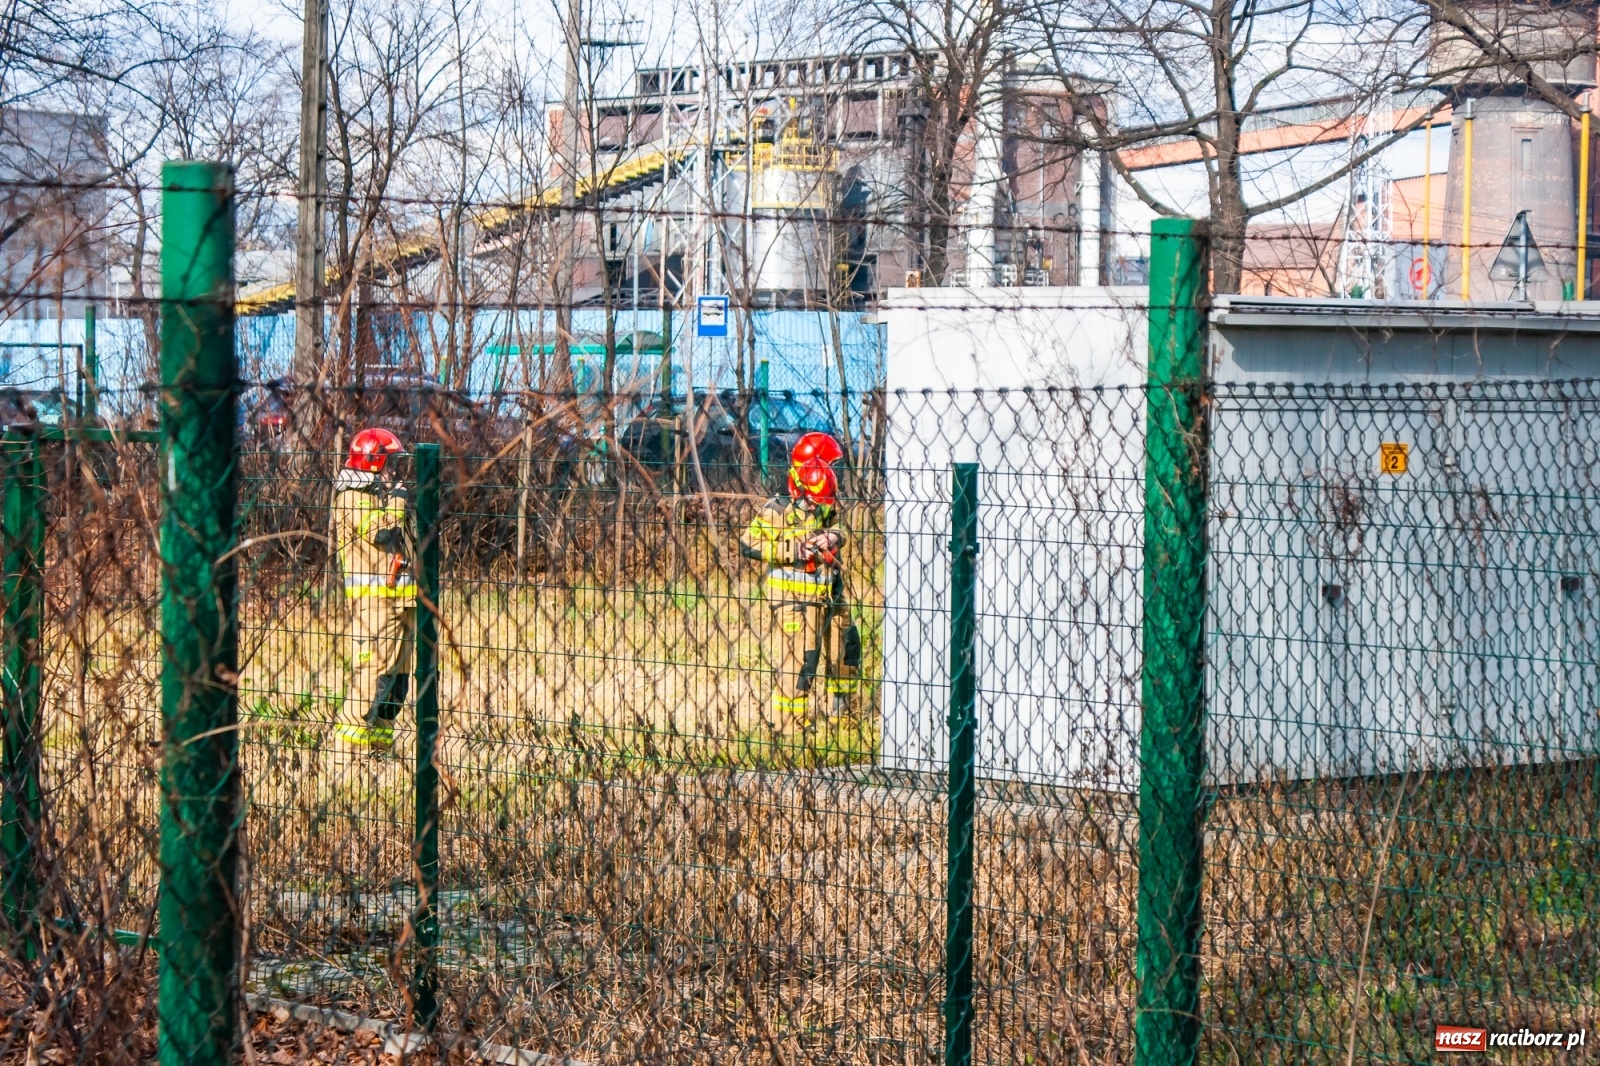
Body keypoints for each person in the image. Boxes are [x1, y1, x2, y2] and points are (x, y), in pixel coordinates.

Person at [740, 456, 862, 723]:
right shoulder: (777, 509)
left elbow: (840, 526)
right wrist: (792, 550)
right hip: (791, 598)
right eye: (814, 501)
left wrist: (833, 536)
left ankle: (844, 716)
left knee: (847, 648)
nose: (819, 507)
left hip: (829, 592)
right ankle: (789, 727)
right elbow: (748, 544)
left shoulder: (824, 505)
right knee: (800, 660)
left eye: (824, 502)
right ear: (798, 490)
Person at [330, 427, 415, 753]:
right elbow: (382, 534)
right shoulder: (352, 496)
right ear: (374, 461)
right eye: (389, 462)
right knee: (371, 678)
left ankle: (379, 752)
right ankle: (344, 759)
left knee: (396, 683)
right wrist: (396, 502)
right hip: (374, 605)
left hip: (399, 599)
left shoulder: (377, 493)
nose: (394, 469)